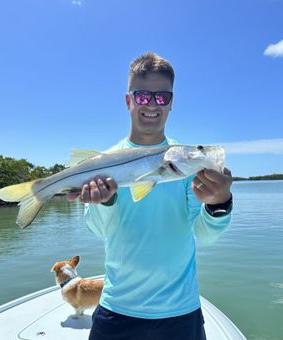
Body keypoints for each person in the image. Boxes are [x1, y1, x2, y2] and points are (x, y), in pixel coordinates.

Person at [67, 52, 232, 340]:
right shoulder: (104, 162)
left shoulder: (186, 165)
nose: (152, 105)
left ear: (171, 103)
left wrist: (219, 204)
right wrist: (106, 202)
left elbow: (205, 235)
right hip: (117, 307)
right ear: (128, 100)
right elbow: (97, 229)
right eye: (142, 96)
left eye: (162, 97)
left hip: (180, 310)